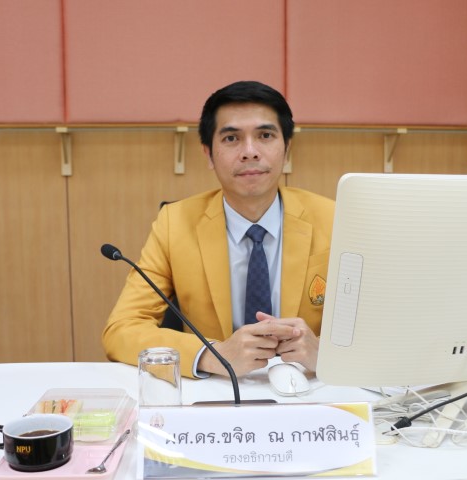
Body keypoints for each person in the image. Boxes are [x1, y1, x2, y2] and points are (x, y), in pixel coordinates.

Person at [102, 81, 335, 379]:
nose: (250, 152)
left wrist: (325, 353)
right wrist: (213, 355)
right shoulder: (174, 224)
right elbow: (122, 329)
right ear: (209, 154)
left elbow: (378, 324)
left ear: (287, 148)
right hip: (215, 389)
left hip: (308, 388)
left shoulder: (334, 219)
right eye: (231, 138)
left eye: (265, 135)